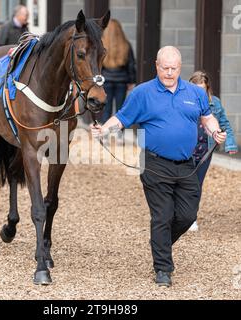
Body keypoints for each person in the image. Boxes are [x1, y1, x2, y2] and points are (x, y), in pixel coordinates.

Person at [90, 46, 227, 287]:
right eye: (165, 68)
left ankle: (160, 243)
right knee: (162, 216)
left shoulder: (194, 92)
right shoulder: (142, 93)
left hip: (188, 165)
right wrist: (103, 130)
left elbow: (207, 116)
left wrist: (215, 130)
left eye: (174, 68)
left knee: (186, 216)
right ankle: (163, 268)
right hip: (155, 164)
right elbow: (122, 118)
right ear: (156, 66)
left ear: (180, 67)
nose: (169, 73)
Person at [188, 71, 238, 232]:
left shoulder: (214, 103)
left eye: (202, 90)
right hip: (185, 151)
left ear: (207, 89)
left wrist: (229, 144)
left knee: (197, 185)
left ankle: (191, 218)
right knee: (182, 184)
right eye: (196, 89)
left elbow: (224, 124)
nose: (199, 94)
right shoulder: (184, 101)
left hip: (205, 152)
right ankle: (177, 214)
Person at [100, 19, 136, 124]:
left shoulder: (102, 45)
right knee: (120, 111)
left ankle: (106, 135)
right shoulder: (126, 45)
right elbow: (131, 64)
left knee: (106, 110)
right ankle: (118, 134)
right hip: (122, 81)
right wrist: (132, 80)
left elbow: (98, 65)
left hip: (106, 81)